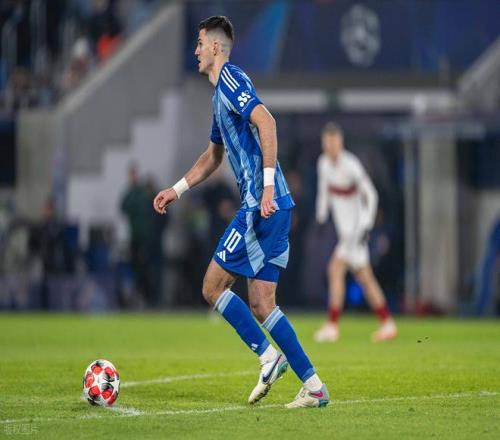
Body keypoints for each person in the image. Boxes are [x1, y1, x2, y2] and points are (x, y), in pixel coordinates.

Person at [153, 16, 329, 409]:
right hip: (276, 205)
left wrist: (265, 187)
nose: (196, 51)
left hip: (261, 205)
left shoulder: (231, 79)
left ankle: (269, 358)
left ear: (216, 47)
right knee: (263, 303)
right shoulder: (220, 95)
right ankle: (315, 387)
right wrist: (177, 190)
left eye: (200, 44)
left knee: (212, 287)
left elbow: (267, 121)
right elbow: (212, 156)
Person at [314, 122, 397, 342]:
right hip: (344, 232)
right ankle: (387, 323)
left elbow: (371, 195)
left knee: (335, 270)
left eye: (334, 141)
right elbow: (323, 193)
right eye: (327, 142)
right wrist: (321, 217)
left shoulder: (351, 165)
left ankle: (332, 326)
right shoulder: (323, 164)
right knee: (365, 278)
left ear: (340, 142)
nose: (330, 146)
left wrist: (366, 225)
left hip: (356, 231)